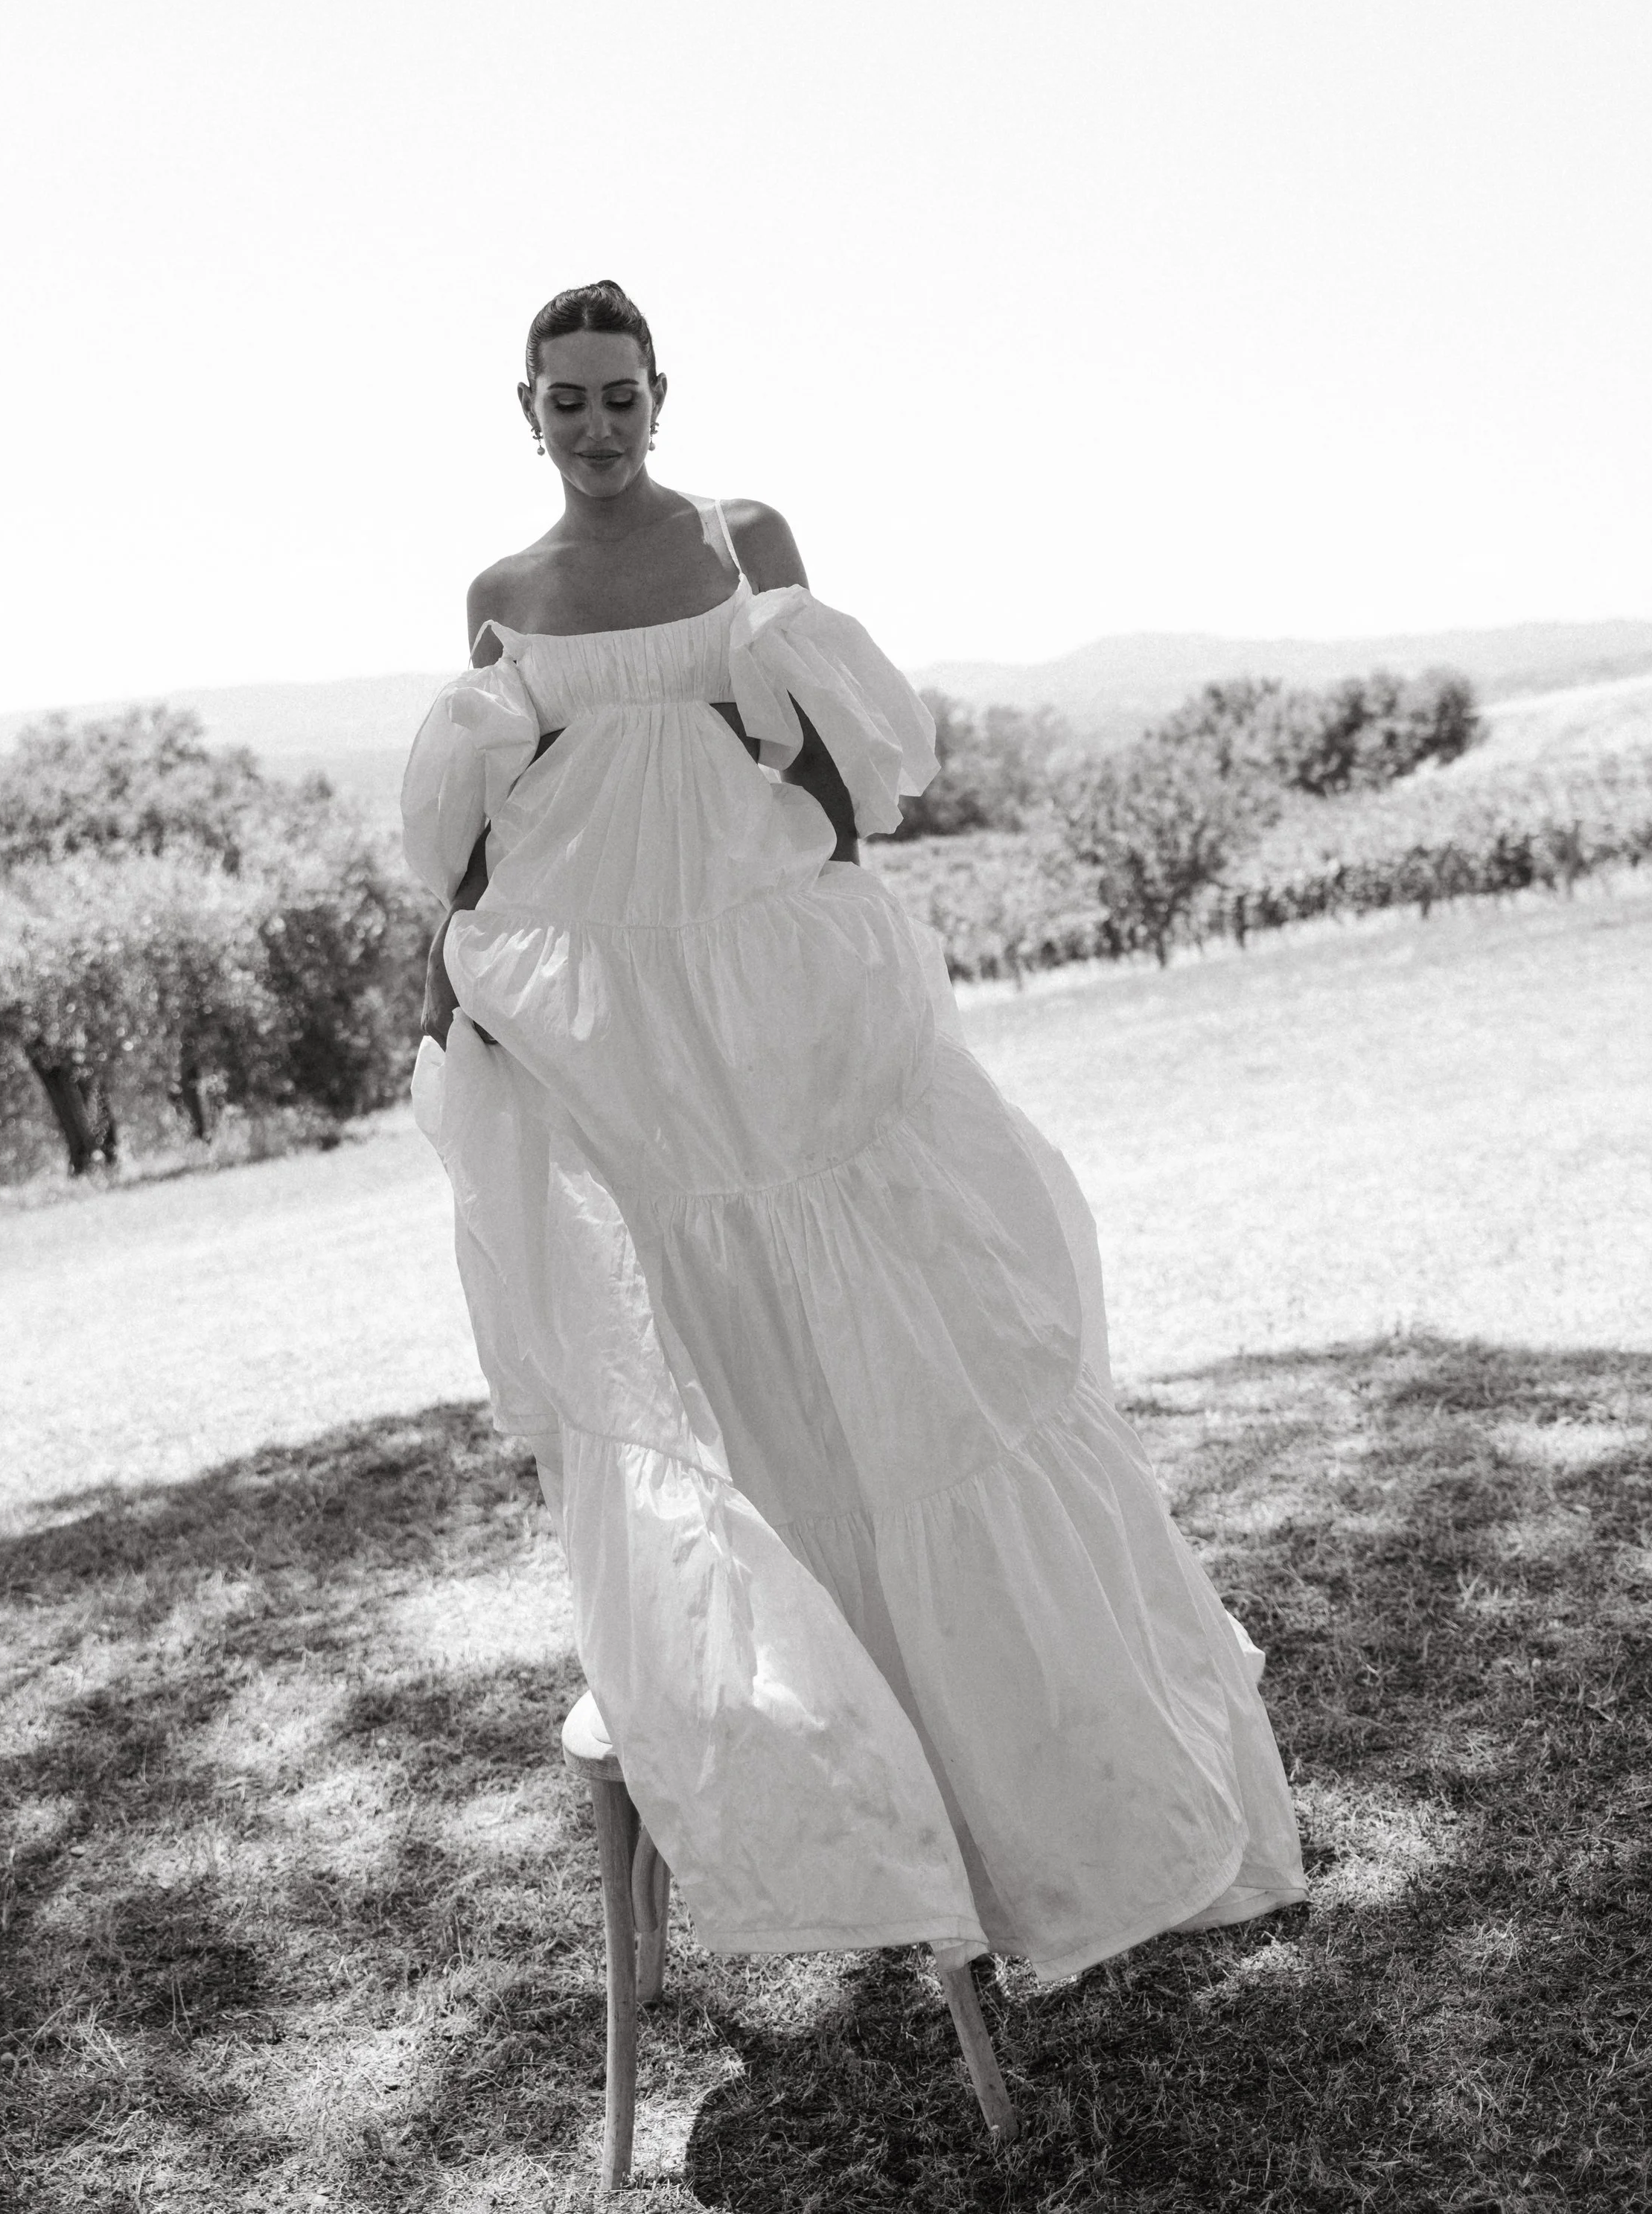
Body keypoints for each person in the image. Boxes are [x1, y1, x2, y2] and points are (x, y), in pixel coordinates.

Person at [404, 278, 1304, 1977]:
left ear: (660, 395)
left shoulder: (743, 538)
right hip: (634, 1035)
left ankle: (1048, 1789)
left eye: (618, 395)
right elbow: (484, 825)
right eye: (563, 400)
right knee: (727, 1360)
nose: (594, 426)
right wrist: (455, 983)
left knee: (920, 1343)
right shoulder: (501, 594)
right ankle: (868, 1794)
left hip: (786, 995)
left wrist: (808, 892)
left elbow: (837, 760)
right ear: (521, 411)